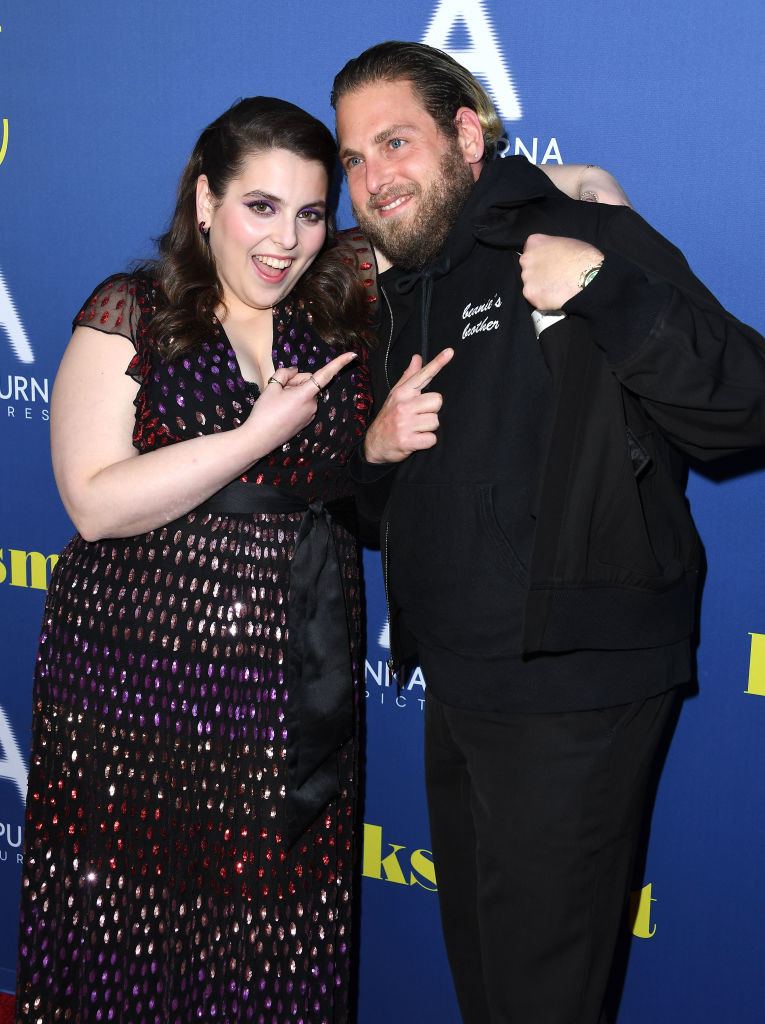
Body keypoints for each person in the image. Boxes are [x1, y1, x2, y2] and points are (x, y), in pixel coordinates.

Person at [331, 41, 765, 1024]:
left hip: (573, 686)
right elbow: (375, 512)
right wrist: (374, 451)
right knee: (491, 984)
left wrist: (605, 283)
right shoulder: (399, 291)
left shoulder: (581, 231)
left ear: (466, 136)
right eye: (355, 157)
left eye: (395, 142)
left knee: (537, 999)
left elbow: (743, 405)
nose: (371, 178)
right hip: (462, 682)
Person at [15, 96, 373, 1024]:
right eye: (261, 207)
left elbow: (465, 200)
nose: (287, 241)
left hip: (289, 677)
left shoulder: (338, 303)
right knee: (129, 920)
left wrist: (579, 191)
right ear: (206, 199)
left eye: (309, 212)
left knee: (270, 930)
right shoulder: (132, 308)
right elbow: (92, 500)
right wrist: (256, 435)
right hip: (133, 681)